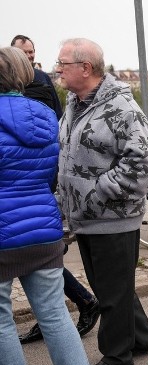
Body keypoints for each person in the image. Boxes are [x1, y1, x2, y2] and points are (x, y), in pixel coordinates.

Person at [0, 46, 103, 365]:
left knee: (0, 321)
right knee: (55, 314)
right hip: (42, 227)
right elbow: (53, 172)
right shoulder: (45, 114)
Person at [55, 38, 148, 365]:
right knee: (114, 286)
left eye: (63, 64)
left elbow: (143, 161)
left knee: (111, 291)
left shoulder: (121, 108)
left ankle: (117, 356)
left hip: (112, 217)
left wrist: (99, 193)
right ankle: (142, 338)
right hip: (86, 216)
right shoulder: (76, 104)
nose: (58, 70)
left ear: (85, 68)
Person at [12, 40, 100, 344]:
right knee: (38, 260)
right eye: (23, 55)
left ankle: (81, 303)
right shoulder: (35, 86)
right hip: (35, 183)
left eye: (31, 55)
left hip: (35, 183)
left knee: (39, 257)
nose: (28, 59)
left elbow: (50, 127)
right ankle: (59, 311)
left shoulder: (37, 86)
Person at [10, 35, 62, 118]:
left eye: (30, 52)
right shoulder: (5, 78)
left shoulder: (43, 77)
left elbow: (57, 110)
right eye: (23, 52)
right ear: (12, 54)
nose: (28, 56)